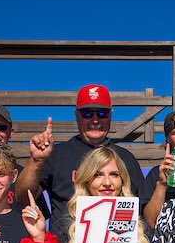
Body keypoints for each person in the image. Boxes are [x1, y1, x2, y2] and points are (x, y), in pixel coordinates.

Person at [16, 84, 144, 222]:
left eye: (102, 113)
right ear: (76, 115)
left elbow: (142, 209)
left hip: (115, 240)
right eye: (87, 114)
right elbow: (24, 196)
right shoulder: (57, 154)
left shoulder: (125, 158)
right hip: (65, 240)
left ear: (110, 116)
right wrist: (36, 160)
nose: (95, 120)